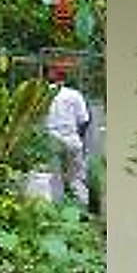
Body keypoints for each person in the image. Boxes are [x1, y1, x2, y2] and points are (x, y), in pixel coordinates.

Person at [43, 64, 90, 205]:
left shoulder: (42, 93)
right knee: (76, 178)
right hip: (72, 139)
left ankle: (56, 212)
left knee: (54, 178)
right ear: (65, 78)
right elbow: (84, 120)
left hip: (51, 139)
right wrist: (78, 137)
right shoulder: (75, 95)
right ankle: (82, 211)